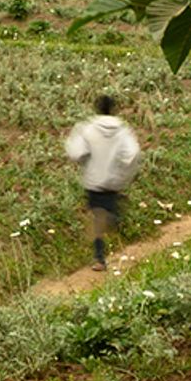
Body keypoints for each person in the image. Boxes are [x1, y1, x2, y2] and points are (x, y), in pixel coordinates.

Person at [65, 95, 141, 271]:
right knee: (106, 214)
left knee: (97, 218)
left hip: (93, 180)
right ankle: (114, 217)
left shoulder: (88, 129)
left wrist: (86, 160)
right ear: (113, 109)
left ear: (97, 108)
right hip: (114, 181)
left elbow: (75, 152)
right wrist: (125, 171)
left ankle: (99, 258)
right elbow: (133, 152)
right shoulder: (122, 131)